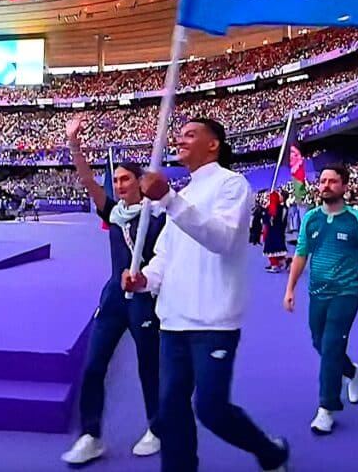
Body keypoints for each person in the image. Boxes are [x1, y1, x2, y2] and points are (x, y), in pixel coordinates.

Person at [122, 118, 289, 472]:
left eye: (190, 134)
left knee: (211, 409)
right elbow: (165, 256)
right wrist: (145, 280)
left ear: (213, 144)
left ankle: (269, 452)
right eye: (179, 134)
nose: (180, 139)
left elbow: (224, 240)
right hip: (173, 319)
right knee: (170, 410)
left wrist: (168, 199)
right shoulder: (184, 193)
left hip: (214, 318)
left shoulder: (232, 186)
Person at [61, 114, 163, 465]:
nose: (119, 185)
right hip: (114, 298)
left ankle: (157, 426)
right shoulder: (113, 211)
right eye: (116, 180)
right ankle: (91, 435)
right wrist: (75, 144)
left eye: (125, 179)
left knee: (149, 366)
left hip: (145, 300)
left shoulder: (158, 216)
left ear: (139, 182)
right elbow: (88, 180)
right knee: (93, 365)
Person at [283, 165, 358, 436]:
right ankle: (353, 371)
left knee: (332, 343)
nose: (325, 185)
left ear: (344, 186)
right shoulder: (311, 218)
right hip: (318, 292)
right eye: (322, 181)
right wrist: (290, 289)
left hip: (346, 293)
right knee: (319, 342)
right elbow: (301, 254)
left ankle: (327, 408)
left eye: (332, 181)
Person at [263, 191, 288, 273]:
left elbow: (265, 221)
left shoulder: (270, 208)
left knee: (271, 249)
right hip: (279, 231)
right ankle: (282, 262)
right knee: (279, 248)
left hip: (271, 232)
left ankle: (275, 265)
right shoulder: (282, 208)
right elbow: (283, 221)